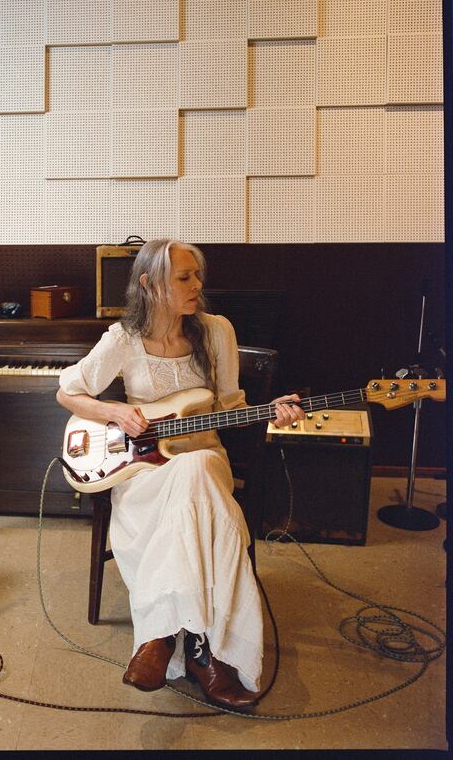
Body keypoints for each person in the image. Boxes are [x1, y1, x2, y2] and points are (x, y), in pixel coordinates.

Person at [56, 238, 305, 709]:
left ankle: (161, 636)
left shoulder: (216, 331)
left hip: (205, 459)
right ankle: (202, 652)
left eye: (197, 275)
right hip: (144, 472)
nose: (197, 285)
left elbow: (230, 407)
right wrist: (115, 411)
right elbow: (67, 393)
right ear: (150, 285)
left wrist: (271, 411)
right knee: (194, 494)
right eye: (184, 277)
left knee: (196, 470)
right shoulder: (123, 339)